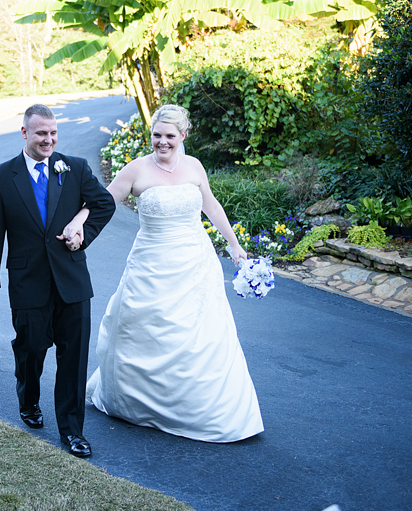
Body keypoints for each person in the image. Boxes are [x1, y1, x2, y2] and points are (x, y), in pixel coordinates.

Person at [65, 104, 263, 443]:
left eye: (170, 136)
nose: (162, 142)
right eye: (156, 135)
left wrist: (234, 245)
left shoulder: (195, 167)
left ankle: (200, 407)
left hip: (195, 263)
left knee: (201, 336)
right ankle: (139, 403)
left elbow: (211, 206)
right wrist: (78, 221)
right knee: (146, 330)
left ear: (183, 136)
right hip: (150, 264)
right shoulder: (136, 170)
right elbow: (103, 201)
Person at [0, 104, 116, 458]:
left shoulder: (74, 168)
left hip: (72, 279)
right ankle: (28, 399)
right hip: (28, 281)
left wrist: (81, 229)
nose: (49, 140)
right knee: (31, 350)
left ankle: (72, 431)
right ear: (25, 133)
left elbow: (103, 203)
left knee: (74, 358)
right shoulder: (1, 177)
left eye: (53, 133)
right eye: (41, 133)